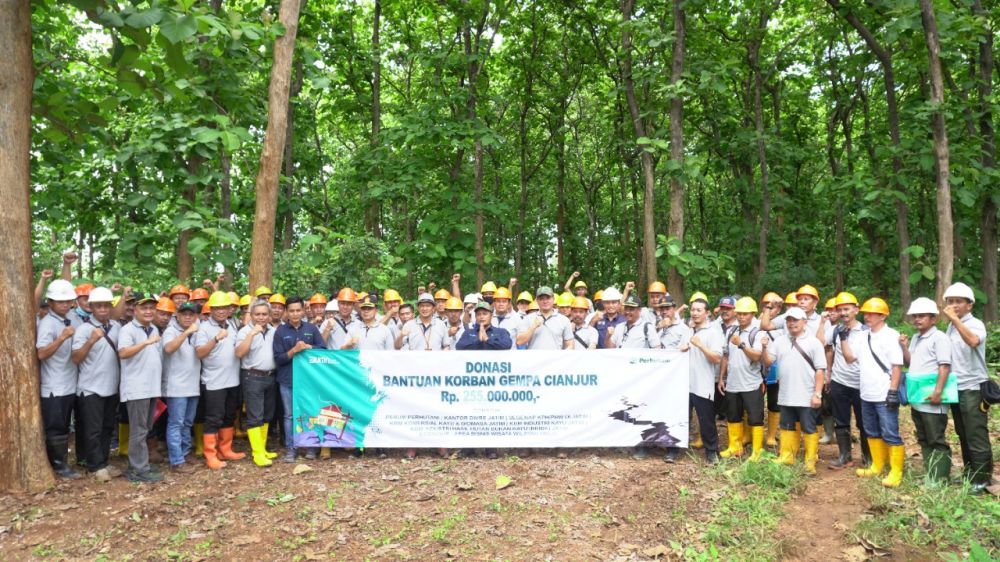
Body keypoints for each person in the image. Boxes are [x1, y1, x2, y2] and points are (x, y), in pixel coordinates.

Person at [940, 282, 993, 493]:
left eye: (958, 302)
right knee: (963, 432)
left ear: (969, 305)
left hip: (973, 386)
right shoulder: (951, 326)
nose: (954, 305)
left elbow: (972, 341)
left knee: (976, 434)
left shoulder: (976, 324)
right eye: (950, 302)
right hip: (956, 386)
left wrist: (953, 318)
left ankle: (982, 479)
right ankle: (969, 473)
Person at [764, 306, 827, 474]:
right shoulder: (780, 341)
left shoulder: (814, 343)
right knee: (786, 426)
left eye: (795, 320)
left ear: (804, 322)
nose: (792, 324)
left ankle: (810, 461)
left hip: (806, 394)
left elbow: (820, 370)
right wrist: (763, 348)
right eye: (789, 320)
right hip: (785, 393)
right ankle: (787, 456)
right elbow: (768, 362)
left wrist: (817, 394)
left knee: (809, 427)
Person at [852, 298, 905, 487]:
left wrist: (893, 391)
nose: (867, 317)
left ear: (882, 316)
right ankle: (877, 465)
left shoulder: (891, 335)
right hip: (866, 392)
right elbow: (853, 359)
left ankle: (896, 471)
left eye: (871, 314)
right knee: (871, 431)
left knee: (890, 432)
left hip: (884, 393)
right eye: (865, 313)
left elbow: (897, 366)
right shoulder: (862, 336)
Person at [70, 287, 121, 481]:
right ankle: (95, 466)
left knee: (108, 427)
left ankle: (104, 461)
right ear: (91, 307)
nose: (103, 309)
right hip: (90, 387)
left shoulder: (116, 327)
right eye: (99, 306)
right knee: (93, 429)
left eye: (106, 306)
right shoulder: (84, 329)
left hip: (111, 386)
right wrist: (91, 341)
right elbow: (75, 358)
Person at [900, 297, 952, 485]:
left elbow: (944, 366)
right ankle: (931, 473)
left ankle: (940, 478)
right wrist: (904, 348)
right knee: (923, 437)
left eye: (921, 316)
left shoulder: (940, 338)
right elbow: (911, 362)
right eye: (915, 316)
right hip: (918, 397)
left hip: (932, 398)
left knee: (936, 438)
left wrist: (938, 391)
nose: (917, 319)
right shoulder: (916, 337)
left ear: (933, 319)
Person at [455, 301, 513, 460]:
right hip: (472, 381)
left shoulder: (501, 331)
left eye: (484, 314)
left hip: (494, 381)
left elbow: (507, 345)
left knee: (491, 413)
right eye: (479, 314)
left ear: (491, 315)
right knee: (470, 412)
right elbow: (460, 347)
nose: (481, 317)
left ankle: (490, 448)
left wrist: (487, 339)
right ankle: (468, 447)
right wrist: (478, 338)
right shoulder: (468, 332)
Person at [194, 291, 245, 469]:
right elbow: (199, 353)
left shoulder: (232, 325)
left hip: (233, 380)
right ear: (211, 309)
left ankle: (226, 450)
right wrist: (215, 339)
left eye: (224, 307)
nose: (221, 311)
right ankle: (211, 455)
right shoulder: (204, 328)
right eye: (217, 308)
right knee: (213, 418)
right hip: (213, 381)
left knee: (229, 416)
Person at [36, 279, 82, 479]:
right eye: (59, 301)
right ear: (51, 302)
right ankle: (58, 465)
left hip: (72, 382)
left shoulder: (73, 317)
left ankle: (65, 461)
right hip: (54, 385)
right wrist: (62, 338)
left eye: (67, 301)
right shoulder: (47, 323)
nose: (64, 304)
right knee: (56, 427)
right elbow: (41, 354)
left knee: (66, 424)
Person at [117, 292, 164, 483]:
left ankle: (140, 464)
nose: (148, 311)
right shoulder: (128, 330)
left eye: (152, 308)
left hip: (152, 387)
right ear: (135, 310)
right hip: (136, 388)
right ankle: (138, 469)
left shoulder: (153, 328)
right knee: (138, 430)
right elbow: (123, 353)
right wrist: (145, 342)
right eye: (144, 308)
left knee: (146, 428)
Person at [273, 296, 326, 462]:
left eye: (298, 310)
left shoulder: (312, 328)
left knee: (310, 412)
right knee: (289, 416)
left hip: (309, 381)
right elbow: (278, 358)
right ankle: (291, 449)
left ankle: (311, 447)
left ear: (303, 311)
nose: (295, 314)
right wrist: (294, 350)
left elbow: (323, 350)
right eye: (291, 311)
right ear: (286, 312)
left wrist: (310, 347)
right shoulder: (280, 331)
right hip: (287, 379)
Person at [717, 297, 767, 461]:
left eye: (745, 314)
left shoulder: (757, 333)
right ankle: (734, 447)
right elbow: (726, 355)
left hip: (751, 383)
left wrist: (741, 344)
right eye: (739, 313)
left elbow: (758, 356)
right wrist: (721, 377)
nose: (741, 317)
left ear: (753, 314)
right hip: (732, 383)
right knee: (733, 416)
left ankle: (757, 451)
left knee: (755, 417)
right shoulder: (731, 331)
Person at [825, 292, 870, 469]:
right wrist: (829, 372)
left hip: (861, 383)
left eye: (847, 309)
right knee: (841, 420)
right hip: (839, 381)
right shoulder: (835, 330)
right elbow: (825, 346)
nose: (843, 313)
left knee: (864, 422)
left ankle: (868, 457)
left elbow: (854, 358)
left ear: (856, 310)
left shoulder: (866, 332)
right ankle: (845, 456)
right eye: (840, 310)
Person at [676, 297, 723, 464]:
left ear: (707, 313)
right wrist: (682, 349)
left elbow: (717, 358)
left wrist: (700, 345)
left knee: (706, 419)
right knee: (680, 417)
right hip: (684, 383)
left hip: (702, 384)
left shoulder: (713, 332)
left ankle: (712, 451)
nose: (694, 313)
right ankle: (674, 449)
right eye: (693, 310)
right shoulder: (688, 331)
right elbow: (680, 351)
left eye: (698, 310)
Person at [236, 300, 279, 468]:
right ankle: (257, 453)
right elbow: (239, 353)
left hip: (270, 376)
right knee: (255, 415)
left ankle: (263, 448)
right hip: (252, 376)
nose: (261, 317)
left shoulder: (273, 331)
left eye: (264, 314)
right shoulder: (245, 331)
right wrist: (251, 334)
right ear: (252, 315)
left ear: (269, 316)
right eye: (257, 314)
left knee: (267, 415)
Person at [161, 301, 202, 473]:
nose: (187, 317)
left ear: (195, 316)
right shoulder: (171, 330)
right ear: (177, 315)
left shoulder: (198, 330)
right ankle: (176, 460)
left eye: (191, 314)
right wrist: (186, 333)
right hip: (176, 386)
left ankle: (185, 453)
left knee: (187, 422)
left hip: (193, 385)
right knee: (176, 423)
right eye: (184, 313)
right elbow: (169, 348)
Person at [759, 292, 785, 447]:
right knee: (754, 404)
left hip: (776, 371)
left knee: (774, 403)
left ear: (779, 310)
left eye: (773, 307)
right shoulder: (755, 322)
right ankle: (753, 434)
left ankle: (771, 435)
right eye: (766, 305)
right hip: (757, 370)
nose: (769, 309)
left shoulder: (783, 325)